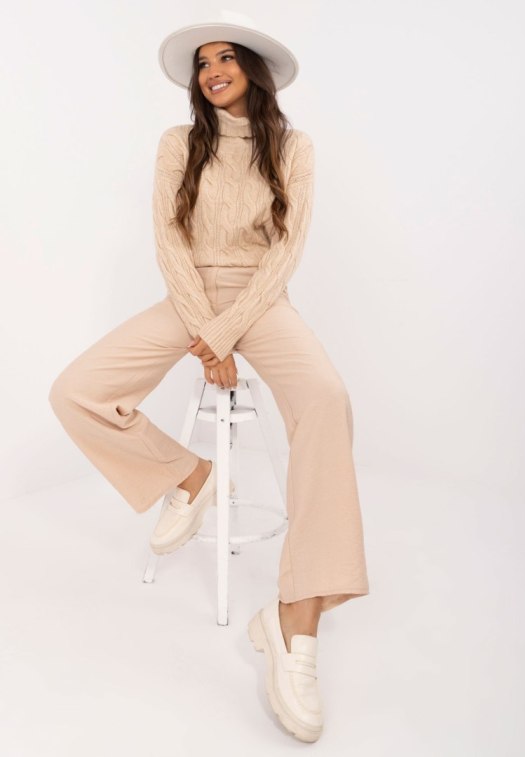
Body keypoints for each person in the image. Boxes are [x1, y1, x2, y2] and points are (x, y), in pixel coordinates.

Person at [48, 10, 370, 744]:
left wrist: (224, 334)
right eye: (203, 63)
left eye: (226, 58)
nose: (213, 71)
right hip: (190, 295)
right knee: (76, 390)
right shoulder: (178, 143)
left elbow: (286, 252)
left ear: (253, 69)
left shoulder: (293, 147)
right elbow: (169, 243)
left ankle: (295, 624)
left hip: (262, 300)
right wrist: (205, 330)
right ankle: (190, 475)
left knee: (328, 399)